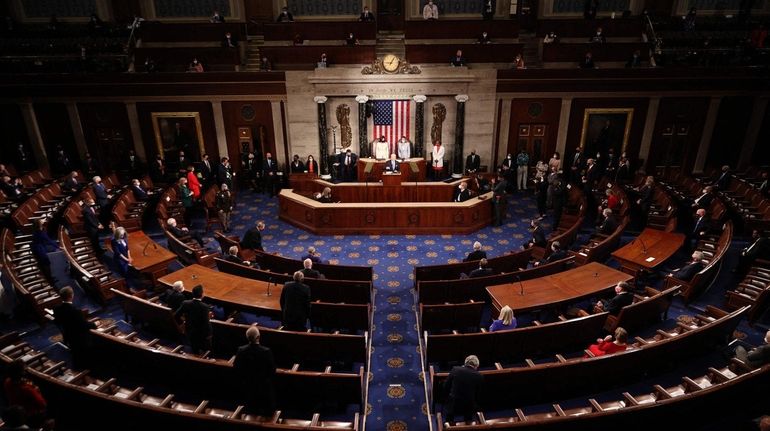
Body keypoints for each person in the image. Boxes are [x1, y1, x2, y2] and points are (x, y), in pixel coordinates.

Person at [234, 325, 276, 416]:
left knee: (251, 411)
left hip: (247, 386)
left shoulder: (241, 350)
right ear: (258, 337)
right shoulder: (266, 351)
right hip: (264, 388)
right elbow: (272, 370)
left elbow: (237, 367)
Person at [54, 286, 98, 369]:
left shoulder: (57, 309)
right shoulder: (75, 311)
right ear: (71, 296)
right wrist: (95, 324)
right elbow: (83, 325)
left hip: (68, 337)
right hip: (80, 340)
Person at [3, 360, 49, 429]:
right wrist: (36, 389)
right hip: (30, 416)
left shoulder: (7, 382)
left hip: (15, 411)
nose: (26, 371)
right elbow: (43, 404)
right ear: (21, 373)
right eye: (24, 370)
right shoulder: (27, 389)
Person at [442, 355, 483, 424]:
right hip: (469, 405)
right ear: (476, 366)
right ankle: (468, 424)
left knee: (449, 416)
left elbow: (446, 385)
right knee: (469, 416)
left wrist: (446, 398)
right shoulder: (479, 376)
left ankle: (448, 424)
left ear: (465, 363)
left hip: (453, 403)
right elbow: (478, 393)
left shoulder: (455, 369)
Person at [175, 284, 213, 354]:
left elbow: (176, 315)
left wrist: (183, 323)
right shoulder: (204, 307)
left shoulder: (185, 303)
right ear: (202, 295)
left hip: (189, 330)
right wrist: (209, 334)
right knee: (205, 349)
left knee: (194, 347)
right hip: (201, 333)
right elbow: (206, 323)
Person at [31, 219, 59, 283]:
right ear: (39, 225)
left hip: (40, 247)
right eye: (41, 221)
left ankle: (49, 277)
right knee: (46, 263)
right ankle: (50, 279)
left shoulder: (39, 230)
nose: (42, 221)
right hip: (40, 249)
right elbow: (48, 241)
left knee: (46, 263)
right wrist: (58, 246)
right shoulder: (40, 233)